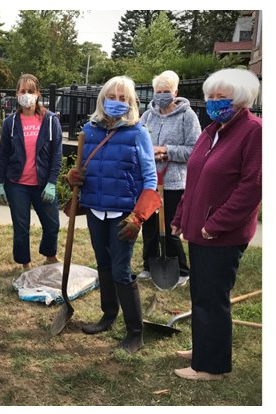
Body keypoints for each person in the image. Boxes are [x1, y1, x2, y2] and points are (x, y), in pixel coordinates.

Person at [171, 68, 261, 381]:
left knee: (213, 298)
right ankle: (203, 349)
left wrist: (216, 223)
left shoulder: (254, 131)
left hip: (221, 234)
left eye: (220, 98)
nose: (213, 102)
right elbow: (195, 180)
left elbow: (253, 187)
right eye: (210, 96)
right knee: (201, 294)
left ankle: (211, 367)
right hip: (200, 229)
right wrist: (181, 216)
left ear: (240, 100)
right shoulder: (213, 130)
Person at [69, 75, 159, 353]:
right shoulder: (89, 130)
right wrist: (73, 177)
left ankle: (135, 332)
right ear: (102, 99)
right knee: (104, 264)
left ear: (131, 103)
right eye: (112, 97)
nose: (117, 102)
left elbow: (150, 177)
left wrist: (139, 217)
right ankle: (109, 314)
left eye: (123, 98)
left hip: (125, 214)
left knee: (121, 270)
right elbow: (83, 169)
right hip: (96, 209)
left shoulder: (138, 133)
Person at [138, 70, 201, 287]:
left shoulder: (187, 116)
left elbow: (195, 150)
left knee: (172, 228)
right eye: (158, 91)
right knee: (149, 226)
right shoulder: (147, 116)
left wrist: (167, 150)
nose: (162, 95)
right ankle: (149, 265)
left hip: (174, 181)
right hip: (149, 180)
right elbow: (137, 143)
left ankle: (182, 269)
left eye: (167, 91)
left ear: (175, 92)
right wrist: (148, 152)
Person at [0, 74, 62, 270]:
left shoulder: (50, 121)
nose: (27, 95)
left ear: (38, 94)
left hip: (43, 184)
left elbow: (56, 154)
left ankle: (50, 255)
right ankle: (24, 262)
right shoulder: (10, 123)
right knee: (21, 227)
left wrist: (52, 182)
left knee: (52, 225)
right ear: (17, 94)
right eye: (22, 91)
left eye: (30, 91)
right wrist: (0, 183)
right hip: (17, 184)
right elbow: (4, 155)